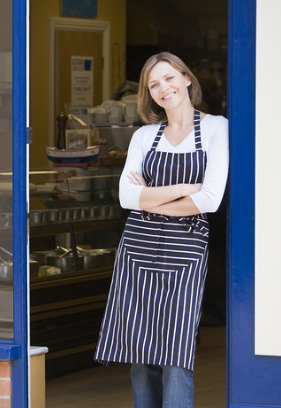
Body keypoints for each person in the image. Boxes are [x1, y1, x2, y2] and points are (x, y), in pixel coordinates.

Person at [94, 52, 229, 408]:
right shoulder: (144, 136)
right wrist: (185, 188)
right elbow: (126, 196)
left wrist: (149, 199)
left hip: (185, 253)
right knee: (140, 356)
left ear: (186, 78)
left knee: (176, 356)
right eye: (154, 84)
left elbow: (210, 200)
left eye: (169, 78)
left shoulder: (216, 127)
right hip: (137, 251)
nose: (163, 88)